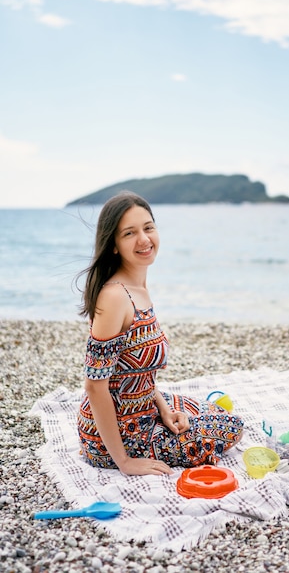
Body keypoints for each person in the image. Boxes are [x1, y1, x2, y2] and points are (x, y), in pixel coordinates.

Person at [76, 191, 244, 476]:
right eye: (129, 233)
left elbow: (136, 370)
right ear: (114, 245)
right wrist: (125, 463)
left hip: (143, 405)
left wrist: (164, 410)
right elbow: (95, 386)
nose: (144, 239)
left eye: (148, 227)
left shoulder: (138, 287)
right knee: (233, 428)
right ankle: (120, 453)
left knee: (207, 411)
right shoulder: (115, 296)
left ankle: (164, 414)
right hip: (119, 434)